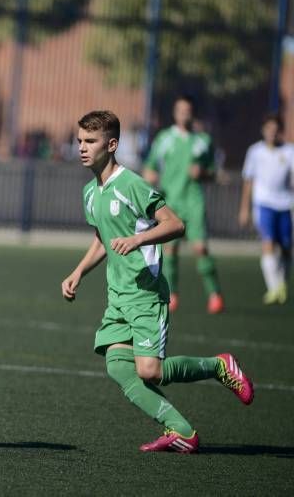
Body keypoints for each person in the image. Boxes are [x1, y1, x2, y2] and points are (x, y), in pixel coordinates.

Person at [61, 110, 253, 454]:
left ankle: (219, 366)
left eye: (90, 141)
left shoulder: (131, 184)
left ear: (112, 144)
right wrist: (78, 272)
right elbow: (103, 238)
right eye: (79, 141)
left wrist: (137, 241)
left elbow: (176, 225)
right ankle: (181, 430)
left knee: (149, 370)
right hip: (117, 297)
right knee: (119, 367)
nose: (82, 148)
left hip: (146, 294)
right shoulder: (90, 193)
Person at [143, 95, 224, 314]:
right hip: (170, 202)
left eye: (188, 111)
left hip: (193, 201)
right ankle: (173, 295)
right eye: (180, 110)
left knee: (201, 248)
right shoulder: (164, 139)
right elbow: (149, 166)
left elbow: (214, 173)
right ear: (175, 113)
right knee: (170, 250)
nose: (184, 114)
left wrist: (204, 172)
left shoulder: (203, 141)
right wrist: (150, 175)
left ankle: (215, 294)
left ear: (192, 113)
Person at [239, 114, 294, 304]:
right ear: (263, 130)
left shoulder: (289, 151)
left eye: (275, 128)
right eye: (268, 128)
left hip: (285, 204)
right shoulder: (255, 152)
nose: (272, 132)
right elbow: (248, 180)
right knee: (268, 243)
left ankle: (282, 284)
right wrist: (244, 208)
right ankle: (274, 288)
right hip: (263, 204)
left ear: (280, 130)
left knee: (286, 247)